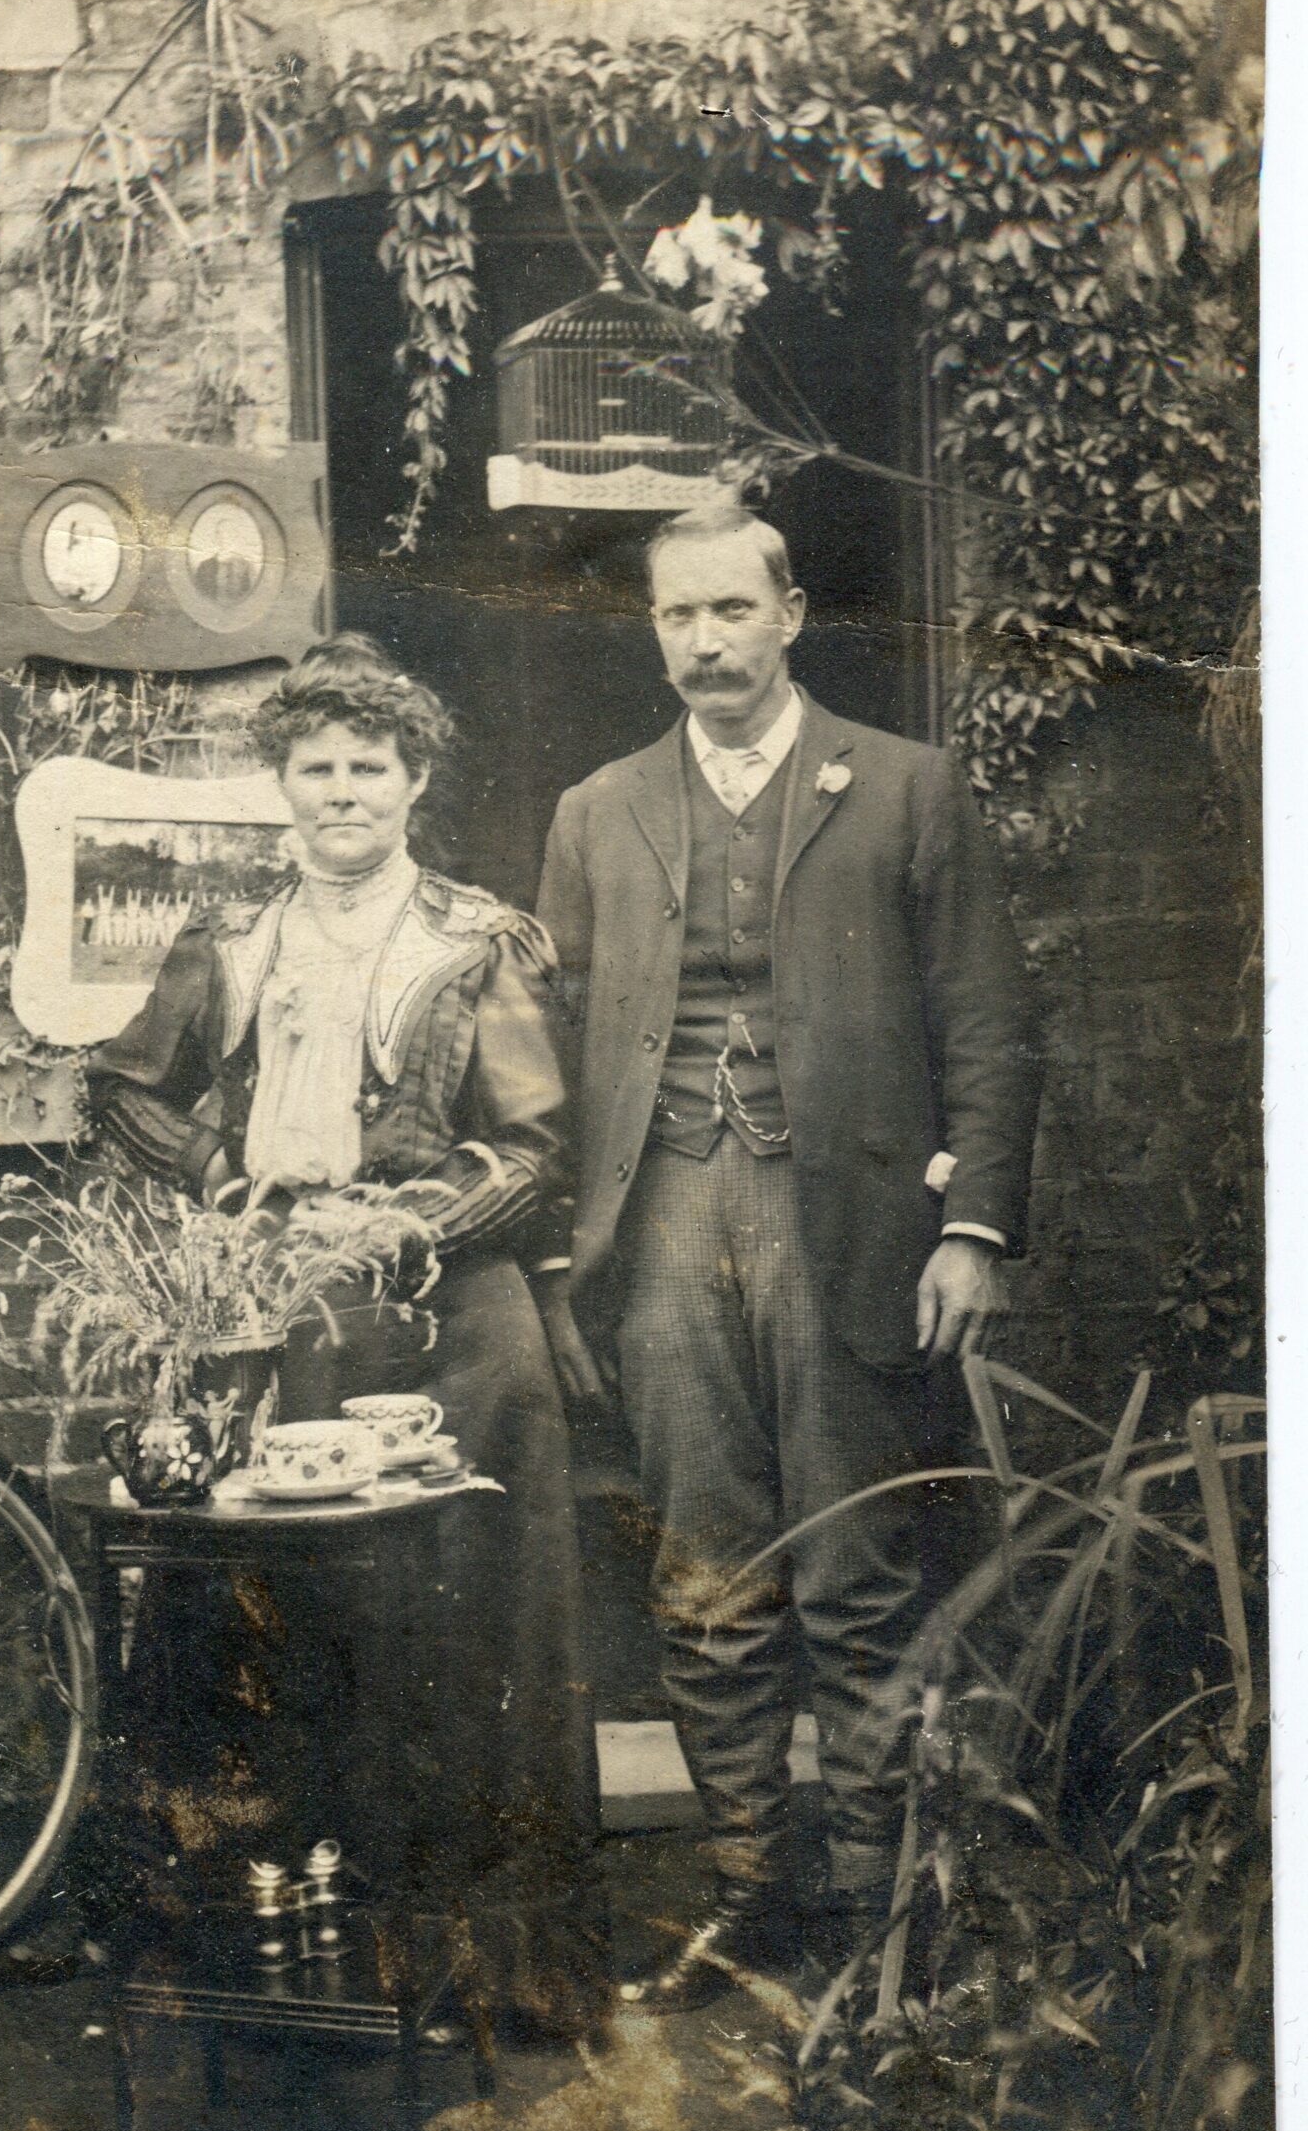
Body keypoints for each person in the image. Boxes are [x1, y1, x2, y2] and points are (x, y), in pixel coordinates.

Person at [534, 504, 1040, 2006]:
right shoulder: (598, 810)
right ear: (654, 632)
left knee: (857, 1576)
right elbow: (545, 1048)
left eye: (731, 611)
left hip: (854, 1226)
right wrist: (563, 1254)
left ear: (792, 613)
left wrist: (971, 1226)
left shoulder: (904, 787)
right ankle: (751, 1896)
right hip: (664, 1222)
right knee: (707, 1576)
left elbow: (989, 1021)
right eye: (677, 616)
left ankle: (876, 1913)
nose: (706, 643)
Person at [87, 634, 604, 2035]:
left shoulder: (475, 943)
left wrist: (395, 1225)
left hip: (454, 1338)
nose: (340, 793)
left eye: (368, 768)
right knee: (285, 1639)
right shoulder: (231, 942)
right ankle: (302, 1973)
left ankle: (494, 1986)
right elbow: (122, 1091)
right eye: (314, 768)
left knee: (473, 1640)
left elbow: (533, 1150)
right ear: (283, 784)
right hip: (282, 1335)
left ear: (414, 779)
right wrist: (223, 1177)